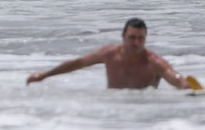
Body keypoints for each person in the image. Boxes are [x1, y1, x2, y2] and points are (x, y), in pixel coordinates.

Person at [26, 18, 190, 89]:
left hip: (144, 112)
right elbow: (78, 63)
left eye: (141, 38)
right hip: (112, 109)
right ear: (123, 37)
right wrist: (44, 75)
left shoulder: (154, 62)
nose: (136, 42)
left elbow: (174, 78)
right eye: (132, 37)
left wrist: (185, 85)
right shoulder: (110, 54)